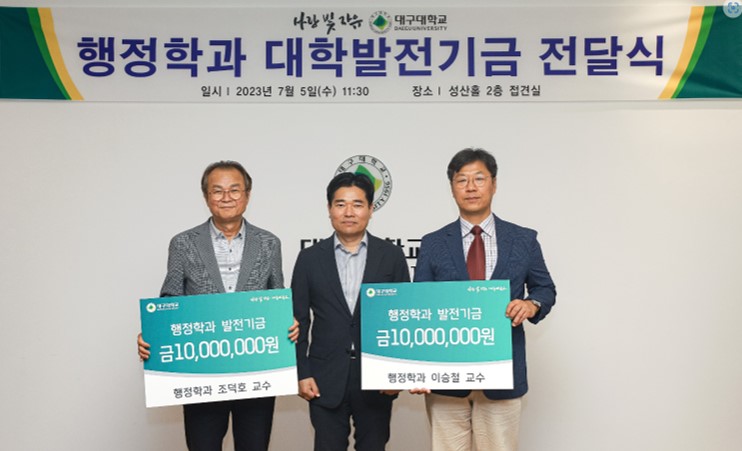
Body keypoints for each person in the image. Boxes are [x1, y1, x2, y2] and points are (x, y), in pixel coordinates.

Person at [137, 160, 298, 451]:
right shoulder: (183, 243)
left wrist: (287, 323)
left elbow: (276, 297)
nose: (226, 197)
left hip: (256, 369)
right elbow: (170, 298)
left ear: (247, 195)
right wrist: (154, 333)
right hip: (202, 371)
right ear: (206, 196)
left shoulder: (269, 243)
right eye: (218, 190)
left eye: (234, 190)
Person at [413, 148, 556, 451]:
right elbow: (420, 306)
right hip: (446, 376)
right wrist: (420, 368)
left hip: (502, 373)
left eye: (479, 178)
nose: (471, 187)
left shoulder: (524, 239)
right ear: (452, 188)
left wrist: (531, 305)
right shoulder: (433, 243)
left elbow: (545, 289)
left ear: (494, 184)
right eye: (461, 180)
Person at [292, 172, 410, 451]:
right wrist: (302, 372)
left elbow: (403, 317)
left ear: (370, 209)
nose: (348, 212)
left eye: (357, 204)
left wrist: (398, 373)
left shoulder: (391, 256)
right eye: (340, 204)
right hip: (324, 376)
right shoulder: (309, 258)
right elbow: (298, 320)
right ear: (329, 209)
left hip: (376, 377)